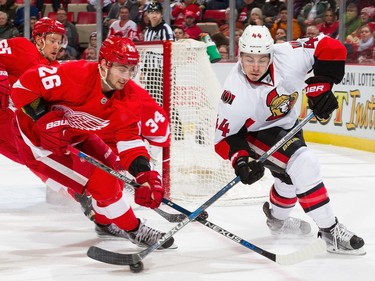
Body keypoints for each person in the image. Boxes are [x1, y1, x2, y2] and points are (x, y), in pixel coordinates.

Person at [11, 35, 174, 249]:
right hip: (40, 144)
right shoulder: (74, 74)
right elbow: (22, 87)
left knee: (115, 171)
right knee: (104, 184)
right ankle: (135, 230)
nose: (127, 76)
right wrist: (42, 117)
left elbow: (130, 141)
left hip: (76, 135)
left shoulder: (130, 98)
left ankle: (104, 222)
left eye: (131, 70)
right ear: (105, 64)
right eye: (122, 69)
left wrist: (145, 175)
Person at [214, 25, 365, 255]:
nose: (255, 67)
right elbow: (225, 138)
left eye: (262, 60)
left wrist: (321, 85)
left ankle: (277, 220)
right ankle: (329, 231)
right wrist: (242, 161)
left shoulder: (288, 55)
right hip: (255, 133)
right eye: (248, 59)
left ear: (271, 55)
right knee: (304, 164)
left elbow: (331, 46)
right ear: (240, 56)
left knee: (288, 179)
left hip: (288, 124)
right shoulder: (234, 92)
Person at [0, 17, 65, 165]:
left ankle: (64, 187)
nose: (57, 46)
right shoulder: (22, 46)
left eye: (59, 42)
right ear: (39, 39)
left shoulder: (55, 68)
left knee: (31, 158)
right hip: (4, 110)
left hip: (9, 121)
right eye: (52, 41)